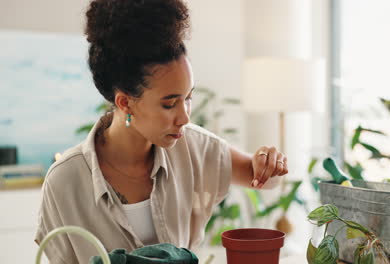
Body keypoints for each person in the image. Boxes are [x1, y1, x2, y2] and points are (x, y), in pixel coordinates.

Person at [34, 0, 288, 263]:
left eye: (188, 98)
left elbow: (265, 180)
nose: (185, 116)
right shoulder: (65, 181)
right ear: (125, 102)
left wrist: (268, 163)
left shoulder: (194, 148)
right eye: (169, 104)